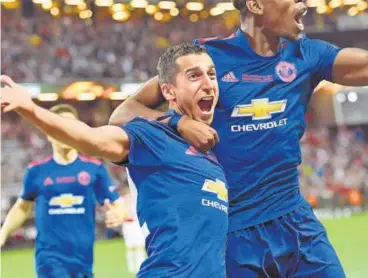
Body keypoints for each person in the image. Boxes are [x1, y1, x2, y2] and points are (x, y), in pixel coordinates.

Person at [108, 1, 368, 277]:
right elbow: (123, 113)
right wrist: (179, 122)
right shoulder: (207, 58)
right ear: (256, 5)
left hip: (296, 223)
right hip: (232, 233)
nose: (302, 4)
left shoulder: (307, 54)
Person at [1, 43, 229, 277]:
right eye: (194, 76)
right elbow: (93, 138)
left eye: (212, 74)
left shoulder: (208, 153)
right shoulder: (151, 137)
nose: (208, 83)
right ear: (168, 92)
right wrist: (30, 109)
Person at [0, 104, 124, 278]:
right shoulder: (36, 171)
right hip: (50, 261)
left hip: (84, 262)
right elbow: (22, 207)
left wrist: (118, 214)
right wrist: (3, 233)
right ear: (48, 132)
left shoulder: (94, 169)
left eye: (70, 126)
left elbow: (117, 204)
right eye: (59, 125)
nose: (66, 131)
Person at [121, 172, 146, 275]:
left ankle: (140, 265)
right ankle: (131, 266)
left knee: (139, 245)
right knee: (130, 246)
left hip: (136, 223)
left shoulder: (136, 197)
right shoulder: (122, 200)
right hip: (127, 224)